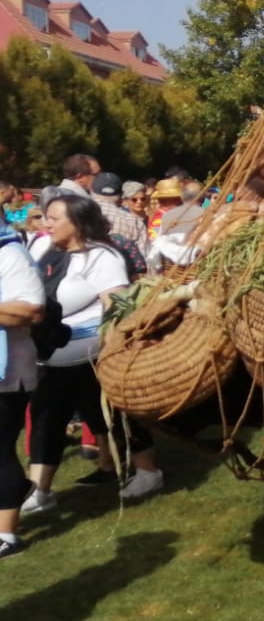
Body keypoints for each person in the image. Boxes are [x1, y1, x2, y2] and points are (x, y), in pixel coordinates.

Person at [20, 198, 163, 515]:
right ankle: (40, 490)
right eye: (46, 216)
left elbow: (117, 307)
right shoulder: (41, 248)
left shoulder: (102, 256)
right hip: (47, 357)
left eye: (55, 217)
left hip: (92, 356)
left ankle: (148, 472)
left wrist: (115, 350)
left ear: (78, 222)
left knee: (115, 418)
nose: (47, 222)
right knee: (46, 422)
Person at [0, 216, 44, 559]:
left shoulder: (9, 253)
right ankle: (17, 490)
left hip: (8, 372)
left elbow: (30, 309)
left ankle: (7, 535)